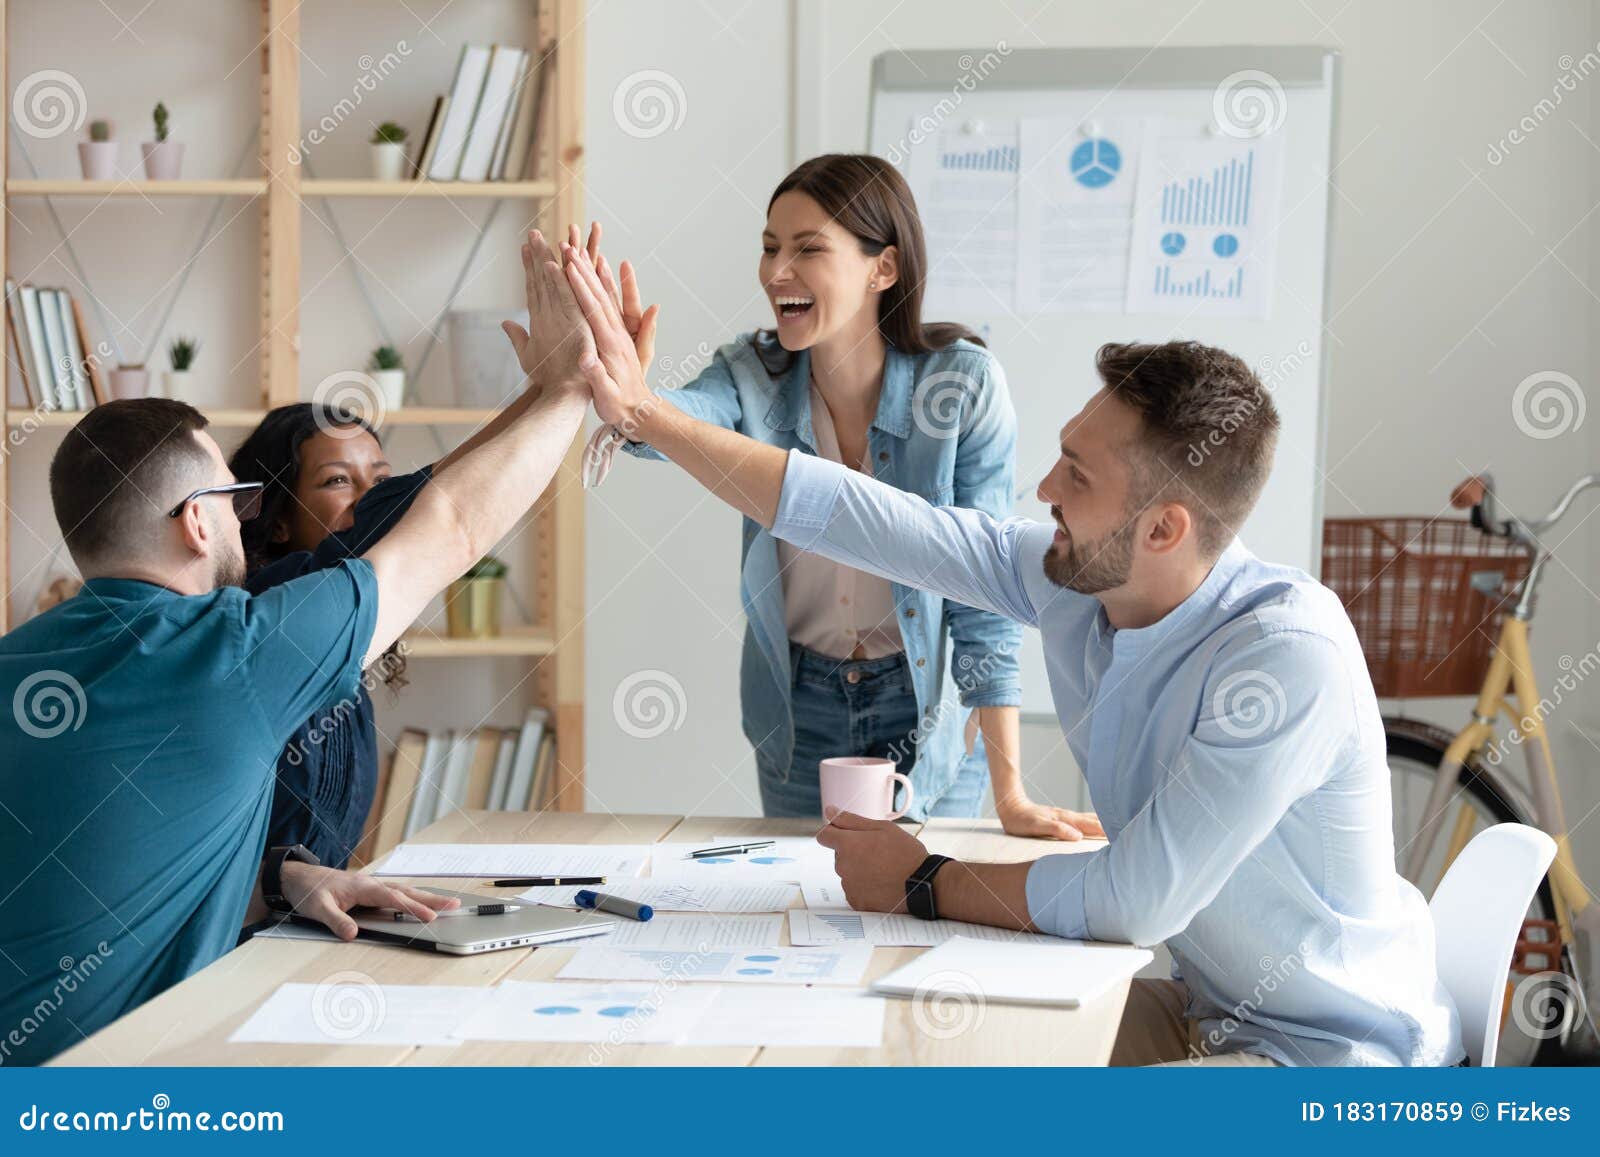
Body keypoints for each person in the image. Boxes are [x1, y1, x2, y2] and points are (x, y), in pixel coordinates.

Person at [561, 253, 1463, 1067]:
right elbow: (863, 516)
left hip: (1328, 1056)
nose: (1043, 491)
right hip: (1207, 1009)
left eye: (1077, 473)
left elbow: (1134, 900)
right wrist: (645, 413)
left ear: (1163, 527)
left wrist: (922, 881)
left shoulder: (1284, 659)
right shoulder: (1082, 580)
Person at [0, 229, 596, 1065]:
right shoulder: (235, 654)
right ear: (198, 519)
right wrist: (575, 384)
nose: (246, 514)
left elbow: (105, 864)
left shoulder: (18, 660)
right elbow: (451, 524)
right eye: (235, 495)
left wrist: (277, 877)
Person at [590, 156, 1097, 838]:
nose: (776, 273)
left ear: (882, 268)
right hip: (800, 706)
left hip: (926, 710)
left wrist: (1011, 792)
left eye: (807, 249)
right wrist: (632, 397)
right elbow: (676, 428)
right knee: (809, 910)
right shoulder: (751, 374)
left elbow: (988, 589)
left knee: (924, 916)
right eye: (770, 248)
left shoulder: (961, 386)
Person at [228, 405, 420, 868]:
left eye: (380, 480)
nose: (368, 500)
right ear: (277, 520)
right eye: (338, 480)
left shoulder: (353, 623)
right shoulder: (276, 601)